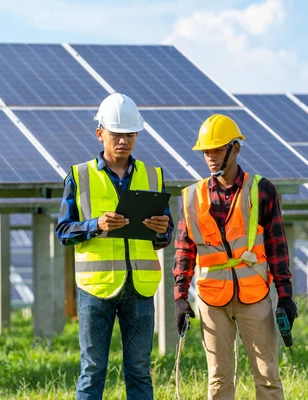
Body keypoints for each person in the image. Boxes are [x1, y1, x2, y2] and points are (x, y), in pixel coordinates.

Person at [55, 93, 174, 400]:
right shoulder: (79, 176)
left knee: (139, 369)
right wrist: (97, 225)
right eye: (118, 134)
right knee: (92, 369)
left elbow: (165, 234)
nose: (124, 141)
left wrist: (163, 231)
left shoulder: (153, 175)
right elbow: (63, 231)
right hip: (95, 289)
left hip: (140, 287)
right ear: (100, 133)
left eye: (130, 135)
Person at [173, 114, 297, 400]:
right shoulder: (193, 196)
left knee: (267, 377)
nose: (210, 156)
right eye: (206, 151)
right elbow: (184, 250)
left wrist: (286, 296)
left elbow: (278, 248)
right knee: (218, 380)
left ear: (235, 148)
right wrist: (180, 297)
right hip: (211, 300)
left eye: (216, 149)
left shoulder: (261, 190)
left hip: (254, 296)